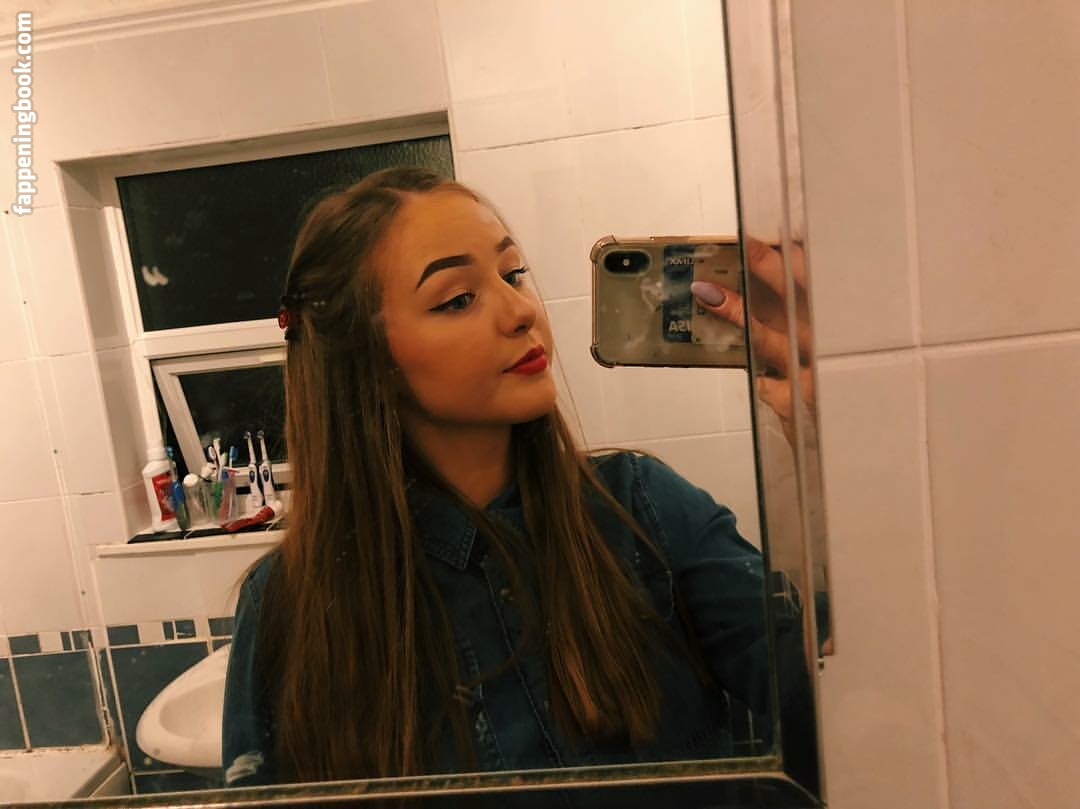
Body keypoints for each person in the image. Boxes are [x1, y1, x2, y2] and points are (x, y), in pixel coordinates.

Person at [221, 166, 816, 799]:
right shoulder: (290, 600)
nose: (521, 311)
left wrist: (836, 452)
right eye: (458, 299)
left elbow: (837, 710)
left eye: (512, 274)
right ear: (369, 361)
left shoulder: (642, 507)